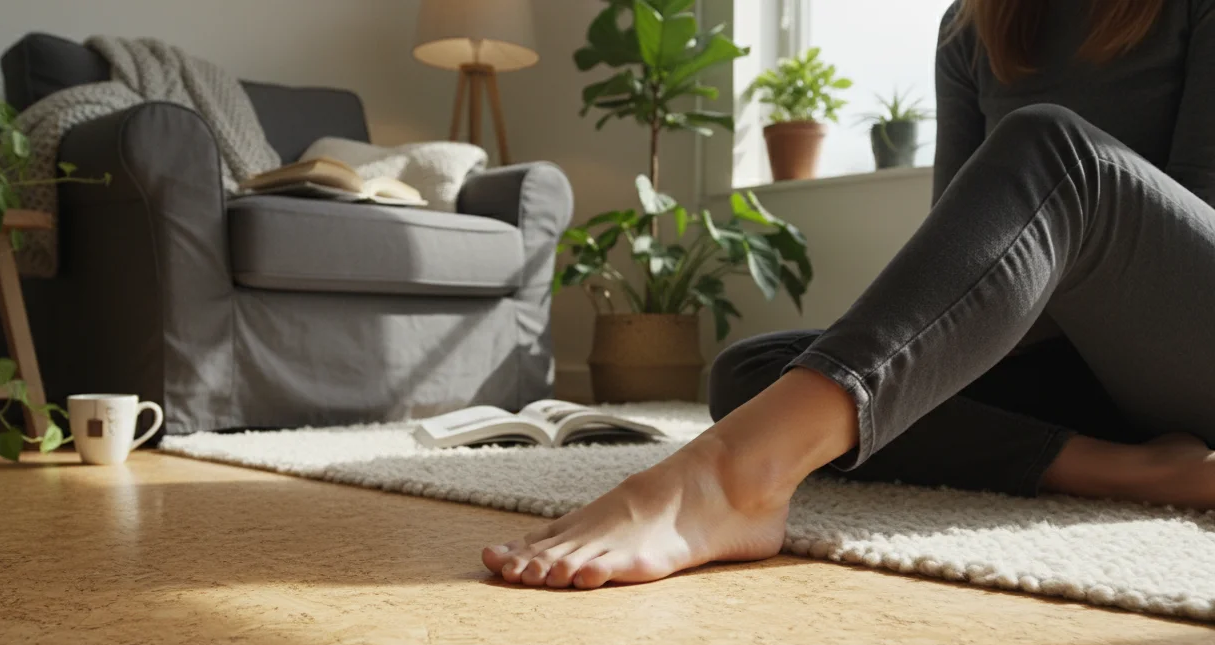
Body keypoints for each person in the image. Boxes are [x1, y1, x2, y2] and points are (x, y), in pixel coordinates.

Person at [484, 0, 1215, 589]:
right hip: (1072, 372)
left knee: (1053, 151)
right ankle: (1132, 467)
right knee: (756, 374)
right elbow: (974, 253)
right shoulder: (973, 24)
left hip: (1187, 344)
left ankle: (734, 476)